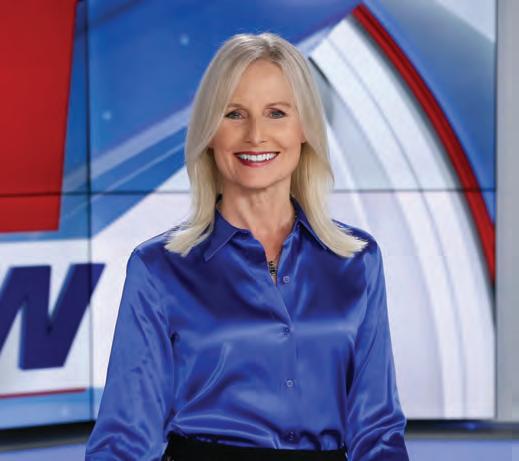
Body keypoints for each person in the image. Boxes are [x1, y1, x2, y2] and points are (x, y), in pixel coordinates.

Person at [85, 32, 409, 461]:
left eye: (276, 113)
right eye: (234, 114)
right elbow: (125, 438)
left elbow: (378, 429)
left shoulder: (358, 260)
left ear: (304, 129)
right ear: (209, 132)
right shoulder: (159, 268)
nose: (256, 135)